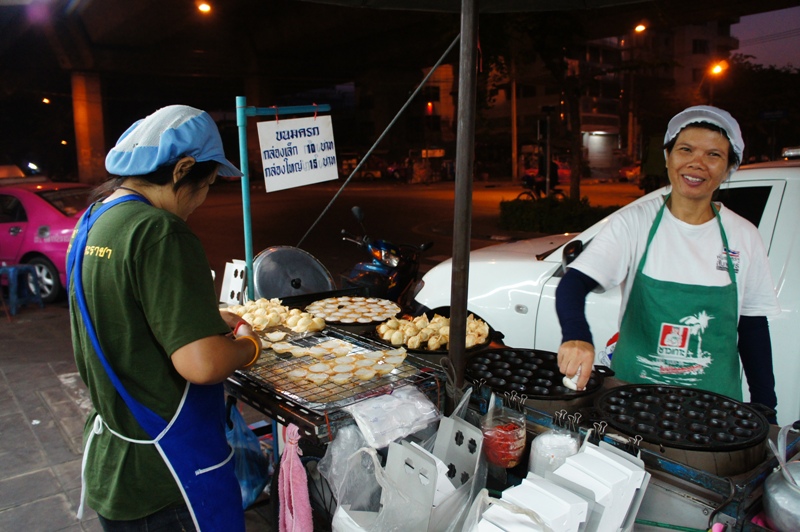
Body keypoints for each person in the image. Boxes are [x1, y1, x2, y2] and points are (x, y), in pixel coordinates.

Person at [68, 105, 261, 531]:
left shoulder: (94, 221)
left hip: (116, 464)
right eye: (207, 184)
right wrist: (249, 344)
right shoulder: (158, 231)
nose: (203, 199)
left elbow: (125, 311)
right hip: (168, 476)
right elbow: (203, 364)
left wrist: (200, 316)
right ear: (183, 169)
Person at [555, 105, 780, 419]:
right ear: (668, 157)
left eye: (714, 155)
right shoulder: (635, 223)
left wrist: (765, 406)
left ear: (729, 167)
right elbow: (574, 282)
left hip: (714, 407)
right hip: (631, 397)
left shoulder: (744, 236)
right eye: (685, 149)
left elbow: (753, 325)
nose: (696, 163)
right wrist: (577, 336)